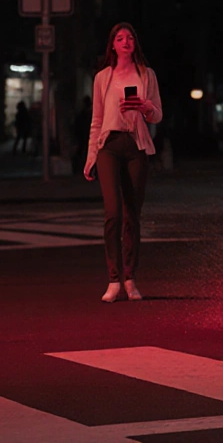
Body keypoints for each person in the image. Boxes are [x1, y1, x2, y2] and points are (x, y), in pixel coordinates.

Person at [84, 22, 163, 303]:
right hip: (109, 147)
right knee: (112, 213)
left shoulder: (146, 74)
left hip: (136, 146)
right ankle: (113, 279)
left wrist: (144, 107)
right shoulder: (103, 77)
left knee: (132, 214)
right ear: (113, 45)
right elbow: (96, 120)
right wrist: (91, 156)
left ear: (135, 44)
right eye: (120, 38)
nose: (125, 42)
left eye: (130, 37)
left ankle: (130, 279)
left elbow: (157, 115)